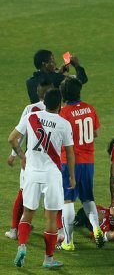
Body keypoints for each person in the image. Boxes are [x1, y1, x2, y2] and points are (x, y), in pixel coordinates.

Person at [8, 88, 75, 268]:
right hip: (52, 175)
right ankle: (48, 259)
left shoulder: (31, 117)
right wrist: (73, 177)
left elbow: (12, 139)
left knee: (27, 213)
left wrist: (22, 156)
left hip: (31, 172)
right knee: (51, 218)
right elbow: (69, 154)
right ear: (60, 105)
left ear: (44, 103)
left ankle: (22, 246)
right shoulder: (64, 124)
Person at [58, 76, 103, 250]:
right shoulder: (89, 109)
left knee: (67, 201)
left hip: (70, 162)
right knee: (87, 198)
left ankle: (68, 242)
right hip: (88, 162)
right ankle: (97, 229)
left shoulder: (64, 113)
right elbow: (96, 133)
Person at [5, 79, 53, 240]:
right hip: (51, 162)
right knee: (53, 196)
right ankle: (58, 232)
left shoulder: (31, 109)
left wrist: (16, 155)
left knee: (24, 193)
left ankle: (14, 229)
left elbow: (19, 134)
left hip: (31, 161)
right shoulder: (57, 110)